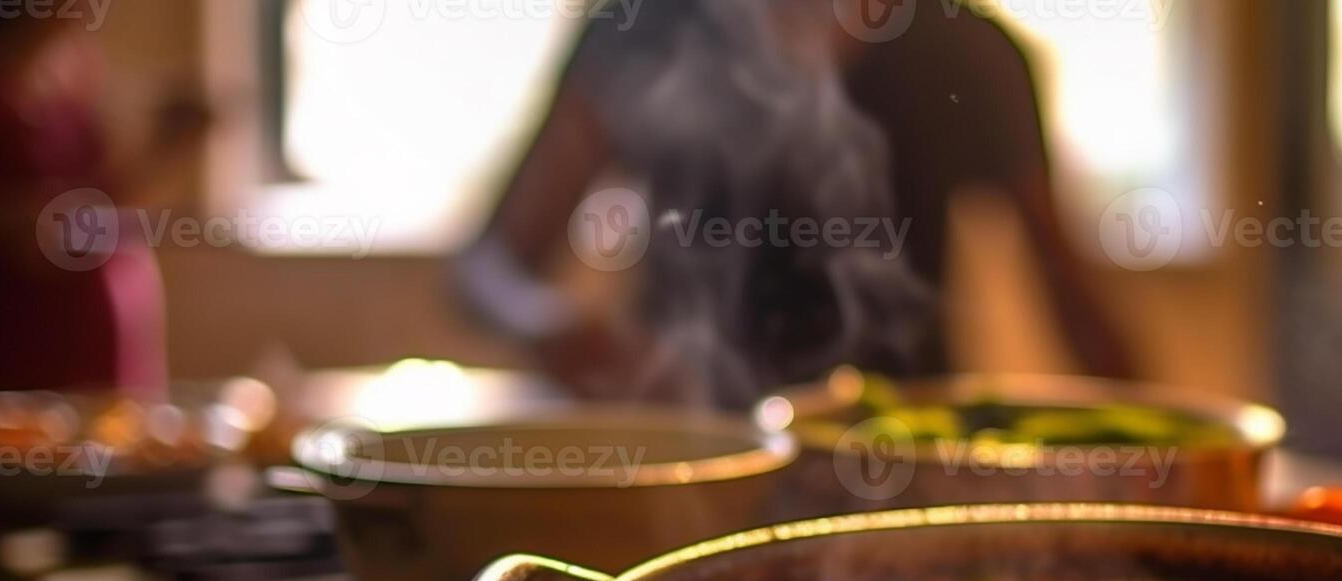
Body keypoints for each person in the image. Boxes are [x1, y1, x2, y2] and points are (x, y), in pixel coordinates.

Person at [456, 0, 1132, 407]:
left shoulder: (968, 53)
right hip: (690, 458)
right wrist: (550, 322)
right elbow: (490, 266)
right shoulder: (644, 29)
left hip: (900, 474)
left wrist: (1172, 463)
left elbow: (1075, 304)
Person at [0, 10, 206, 408]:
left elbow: (100, 195)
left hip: (101, 324)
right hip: (15, 331)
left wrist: (165, 151)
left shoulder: (76, 68)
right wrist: (7, 217)